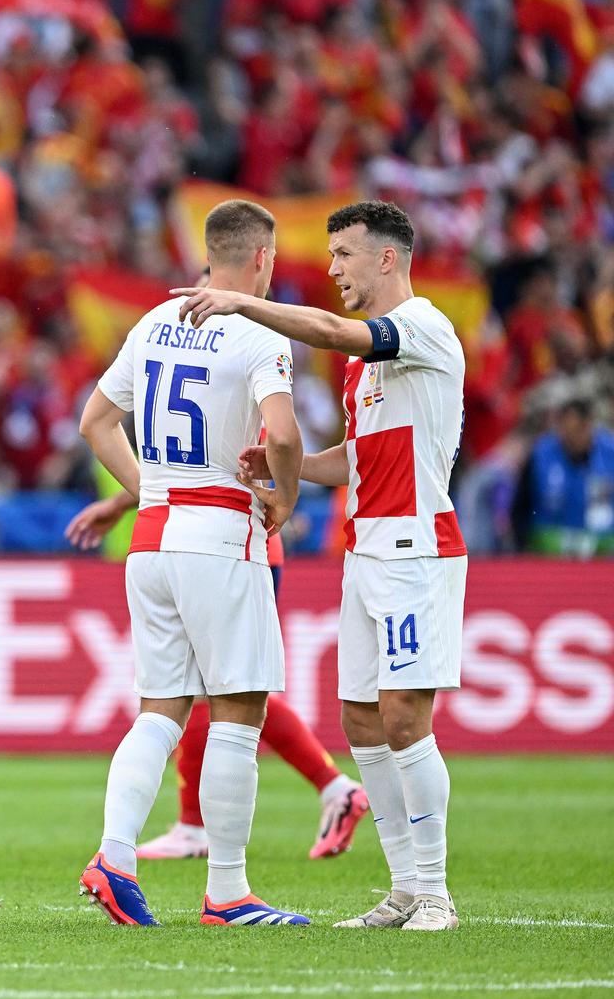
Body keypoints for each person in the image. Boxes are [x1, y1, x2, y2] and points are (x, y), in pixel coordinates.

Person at [175, 199, 466, 931]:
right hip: (365, 549)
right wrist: (288, 465)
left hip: (417, 548)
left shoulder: (423, 327)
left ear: (388, 258)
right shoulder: (363, 373)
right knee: (361, 719)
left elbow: (336, 332)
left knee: (405, 714)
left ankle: (435, 889)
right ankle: (402, 887)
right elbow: (361, 461)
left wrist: (242, 302)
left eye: (343, 254)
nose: (332, 267)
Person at [77, 199, 310, 927]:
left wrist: (147, 491)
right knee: (239, 709)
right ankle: (229, 892)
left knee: (160, 711)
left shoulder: (154, 321)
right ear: (262, 259)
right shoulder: (259, 333)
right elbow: (284, 434)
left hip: (153, 538)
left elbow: (95, 421)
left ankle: (115, 856)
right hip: (221, 537)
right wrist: (286, 497)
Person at [68, 502, 369, 862]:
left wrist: (120, 503)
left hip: (225, 549)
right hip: (229, 546)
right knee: (218, 690)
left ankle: (197, 828)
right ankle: (332, 789)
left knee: (214, 690)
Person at [510, 396, 614, 557]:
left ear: (589, 426)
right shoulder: (541, 455)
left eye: (578, 429)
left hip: (603, 550)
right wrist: (522, 545)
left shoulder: (609, 453)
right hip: (550, 551)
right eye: (566, 429)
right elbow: (521, 505)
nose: (572, 437)